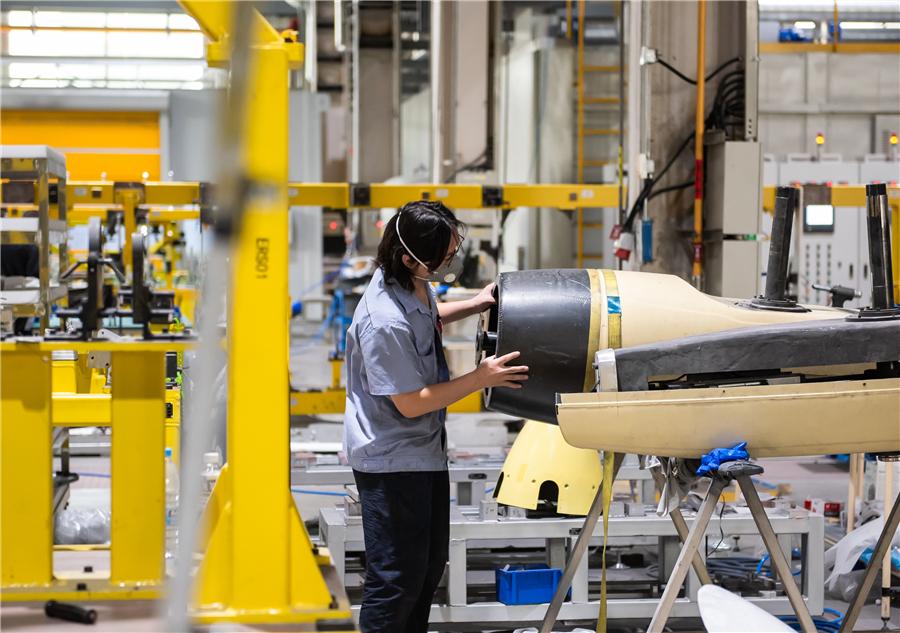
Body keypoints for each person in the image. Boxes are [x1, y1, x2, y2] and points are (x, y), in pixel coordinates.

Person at [343, 200, 529, 633]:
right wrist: (480, 378)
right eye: (441, 260)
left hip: (422, 453)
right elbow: (411, 402)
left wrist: (474, 303)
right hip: (392, 461)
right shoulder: (382, 321)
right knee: (396, 579)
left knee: (426, 569)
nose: (447, 265)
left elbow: (427, 317)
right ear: (409, 258)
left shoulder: (410, 283)